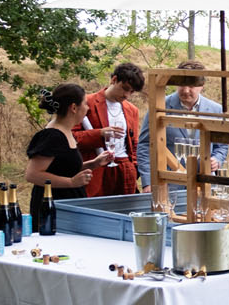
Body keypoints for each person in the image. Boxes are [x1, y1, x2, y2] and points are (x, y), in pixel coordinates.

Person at [136, 60, 228, 188]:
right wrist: (148, 182)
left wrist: (217, 159)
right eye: (181, 85)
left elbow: (222, 146)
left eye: (191, 86)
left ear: (202, 85)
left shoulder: (216, 110)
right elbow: (145, 146)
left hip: (204, 185)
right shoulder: (158, 106)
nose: (185, 90)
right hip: (168, 185)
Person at [25, 83, 112, 214]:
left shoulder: (67, 132)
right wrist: (71, 182)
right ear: (74, 108)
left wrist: (94, 163)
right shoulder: (53, 136)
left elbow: (64, 169)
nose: (88, 109)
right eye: (85, 104)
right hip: (51, 208)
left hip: (68, 204)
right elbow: (32, 174)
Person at [74, 62, 144, 197]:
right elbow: (71, 137)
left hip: (124, 170)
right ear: (114, 80)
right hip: (96, 170)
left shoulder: (132, 110)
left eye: (131, 92)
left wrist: (133, 168)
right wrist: (99, 134)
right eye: (125, 88)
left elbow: (134, 142)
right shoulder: (86, 103)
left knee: (125, 213)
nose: (127, 95)